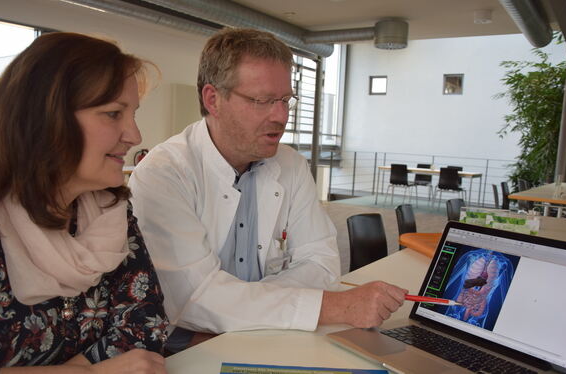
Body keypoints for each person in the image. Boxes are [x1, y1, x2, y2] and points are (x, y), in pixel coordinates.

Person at [129, 27, 407, 351]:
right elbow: (195, 299)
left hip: (269, 338)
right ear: (213, 99)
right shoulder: (164, 173)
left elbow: (322, 265)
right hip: (186, 350)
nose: (281, 116)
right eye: (262, 101)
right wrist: (336, 306)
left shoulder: (291, 165)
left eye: (285, 99)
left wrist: (244, 313)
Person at [0, 32, 168, 373]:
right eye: (112, 114)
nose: (134, 135)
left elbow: (145, 325)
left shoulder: (108, 208)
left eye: (132, 114)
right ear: (45, 117)